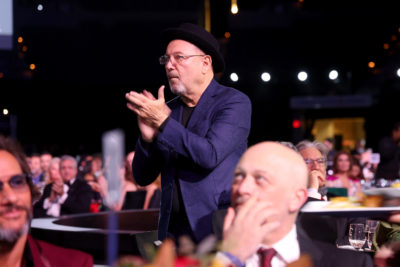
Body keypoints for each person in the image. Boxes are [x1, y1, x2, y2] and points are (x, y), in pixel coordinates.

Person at [125, 22, 252, 243]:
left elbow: (209, 155)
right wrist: (147, 139)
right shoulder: (169, 111)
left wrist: (162, 122)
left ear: (205, 63)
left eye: (179, 58)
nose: (169, 65)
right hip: (172, 233)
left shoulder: (233, 102)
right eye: (166, 59)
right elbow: (143, 177)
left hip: (215, 228)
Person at [216, 142, 373, 267]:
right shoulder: (208, 256)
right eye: (239, 176)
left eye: (260, 178)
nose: (242, 188)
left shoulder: (350, 263)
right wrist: (230, 259)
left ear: (296, 198)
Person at [0, 135, 93, 266]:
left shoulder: (75, 262)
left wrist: (63, 196)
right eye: (63, 168)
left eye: (17, 182)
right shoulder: (50, 188)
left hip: (72, 241)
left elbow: (82, 210)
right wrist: (50, 199)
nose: (11, 197)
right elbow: (37, 212)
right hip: (47, 236)